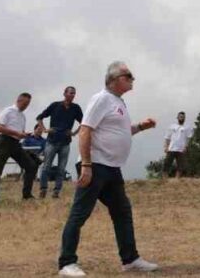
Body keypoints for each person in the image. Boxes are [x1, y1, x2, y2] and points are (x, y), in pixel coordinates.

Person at [57, 60, 159, 276]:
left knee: (122, 211)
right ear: (114, 80)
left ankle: (130, 259)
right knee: (80, 213)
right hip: (95, 164)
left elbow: (119, 132)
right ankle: (66, 263)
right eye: (128, 75)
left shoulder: (119, 102)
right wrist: (86, 165)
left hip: (112, 167)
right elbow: (85, 131)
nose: (132, 79)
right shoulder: (101, 99)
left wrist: (141, 126)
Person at [0, 92, 40, 204]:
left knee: (31, 166)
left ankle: (27, 195)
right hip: (4, 141)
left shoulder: (23, 116)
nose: (26, 106)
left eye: (28, 104)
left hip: (16, 143)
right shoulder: (8, 111)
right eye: (25, 103)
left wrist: (24, 134)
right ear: (19, 100)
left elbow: (19, 132)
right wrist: (16, 133)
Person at [36, 86, 83, 199]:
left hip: (65, 143)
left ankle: (56, 191)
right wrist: (45, 129)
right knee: (46, 166)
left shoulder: (75, 108)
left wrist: (74, 132)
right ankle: (43, 189)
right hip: (51, 141)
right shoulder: (55, 105)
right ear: (64, 93)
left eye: (74, 93)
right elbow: (39, 117)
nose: (72, 95)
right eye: (70, 93)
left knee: (61, 169)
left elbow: (85, 122)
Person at [162, 112, 194, 179]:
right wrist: (166, 146)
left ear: (184, 118)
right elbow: (167, 137)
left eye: (183, 117)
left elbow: (188, 138)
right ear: (177, 117)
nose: (181, 118)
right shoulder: (172, 126)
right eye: (180, 117)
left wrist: (186, 147)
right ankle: (165, 178)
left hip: (181, 149)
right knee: (167, 163)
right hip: (171, 148)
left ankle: (177, 179)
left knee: (180, 166)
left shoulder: (187, 127)